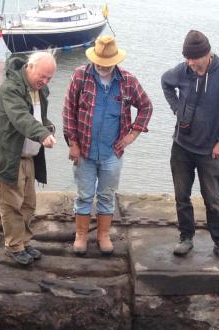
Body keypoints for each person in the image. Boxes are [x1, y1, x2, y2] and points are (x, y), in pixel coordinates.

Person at [62, 34, 152, 256]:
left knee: (106, 195)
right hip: (84, 150)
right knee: (84, 195)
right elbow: (68, 111)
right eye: (99, 63)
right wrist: (73, 143)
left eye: (107, 64)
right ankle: (81, 235)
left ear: (116, 61)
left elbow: (146, 107)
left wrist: (133, 135)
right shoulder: (80, 76)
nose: (102, 67)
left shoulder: (128, 81)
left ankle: (103, 235)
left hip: (113, 152)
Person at [161, 29, 219, 260]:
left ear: (207, 54)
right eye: (187, 58)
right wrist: (177, 108)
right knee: (181, 196)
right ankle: (185, 238)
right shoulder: (183, 70)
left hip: (210, 151)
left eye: (193, 58)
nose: (189, 62)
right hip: (181, 147)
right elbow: (165, 82)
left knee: (212, 199)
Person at [0, 50, 57, 267]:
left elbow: (36, 117)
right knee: (11, 204)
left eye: (49, 78)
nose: (44, 81)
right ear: (30, 67)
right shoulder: (10, 88)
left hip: (29, 156)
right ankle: (14, 246)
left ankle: (24, 242)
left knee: (28, 203)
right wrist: (42, 134)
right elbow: (20, 117)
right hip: (9, 156)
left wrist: (47, 126)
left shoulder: (39, 90)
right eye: (42, 76)